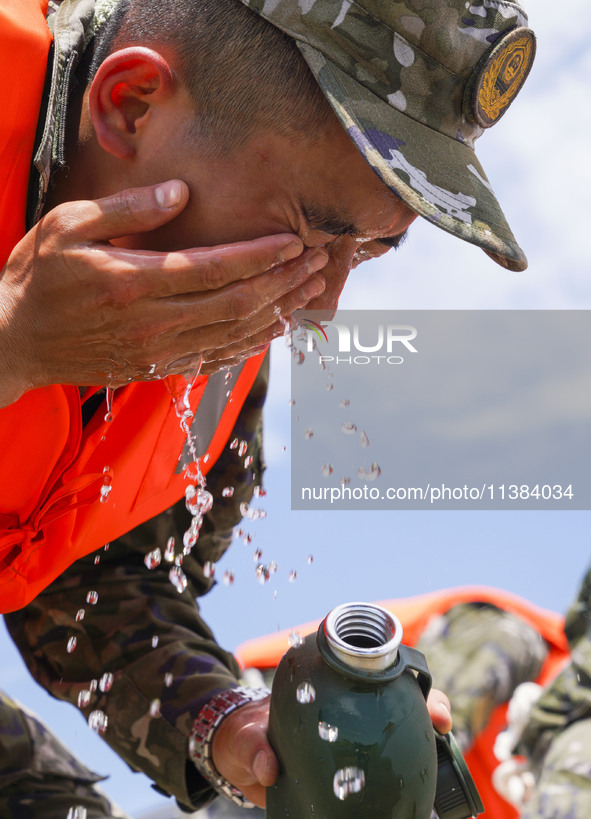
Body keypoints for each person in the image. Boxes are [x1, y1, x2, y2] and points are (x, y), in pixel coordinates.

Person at [1, 0, 537, 812]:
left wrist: (229, 725)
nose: (322, 304)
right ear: (132, 103)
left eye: (368, 250)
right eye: (312, 232)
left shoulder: (224, 331)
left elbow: (91, 583)